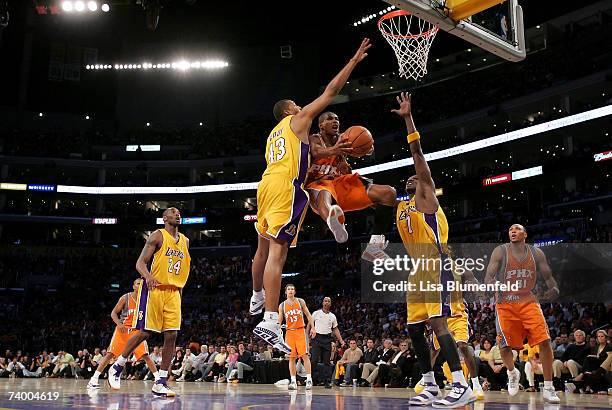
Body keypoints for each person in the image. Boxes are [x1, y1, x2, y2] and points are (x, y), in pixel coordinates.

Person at [249, 39, 372, 351]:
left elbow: (308, 158)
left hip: (265, 187)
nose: (301, 105)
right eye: (297, 104)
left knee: (263, 250)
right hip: (285, 188)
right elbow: (330, 92)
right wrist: (354, 60)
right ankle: (270, 320)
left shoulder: (272, 136)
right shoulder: (298, 120)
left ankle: (257, 297)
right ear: (290, 109)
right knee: (279, 253)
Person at [392, 92, 474, 407]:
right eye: (409, 178)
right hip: (417, 271)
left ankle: (460, 383)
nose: (413, 177)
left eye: (419, 176)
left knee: (439, 323)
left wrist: (408, 118)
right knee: (414, 328)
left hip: (437, 264)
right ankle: (429, 385)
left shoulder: (427, 199)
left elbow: (417, 151)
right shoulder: (401, 206)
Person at [108, 207, 191, 397]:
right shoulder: (158, 235)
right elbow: (140, 263)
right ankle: (118, 366)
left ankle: (160, 382)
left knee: (172, 335)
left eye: (179, 212)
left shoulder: (185, 241)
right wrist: (148, 277)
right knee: (145, 332)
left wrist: (179, 290)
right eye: (172, 212)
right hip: (154, 289)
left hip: (173, 292)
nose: (177, 214)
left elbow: (183, 269)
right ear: (164, 218)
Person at [484, 223, 560, 403]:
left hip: (528, 301)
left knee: (544, 340)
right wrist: (496, 285)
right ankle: (512, 372)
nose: (513, 231)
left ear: (525, 234)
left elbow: (549, 278)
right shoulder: (500, 251)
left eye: (517, 229)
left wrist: (554, 289)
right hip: (505, 303)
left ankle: (549, 387)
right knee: (503, 346)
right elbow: (488, 277)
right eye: (510, 229)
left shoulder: (536, 253)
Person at [305, 111, 396, 255]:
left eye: (337, 119)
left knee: (388, 193)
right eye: (330, 119)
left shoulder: (344, 138)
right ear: (321, 125)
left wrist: (364, 148)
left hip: (341, 184)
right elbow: (315, 152)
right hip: (317, 184)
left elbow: (361, 148)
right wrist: (334, 150)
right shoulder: (314, 138)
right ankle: (334, 221)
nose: (335, 121)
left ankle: (375, 248)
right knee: (325, 192)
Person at [87, 278, 160, 389]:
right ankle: (93, 379)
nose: (139, 285)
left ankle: (158, 379)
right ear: (133, 286)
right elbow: (113, 313)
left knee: (145, 355)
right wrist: (119, 324)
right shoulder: (125, 297)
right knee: (110, 354)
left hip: (137, 332)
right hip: (123, 330)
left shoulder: (146, 300)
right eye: (137, 283)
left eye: (141, 284)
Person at [278, 284, 314, 390]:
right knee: (291, 358)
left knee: (305, 356)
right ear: (285, 292)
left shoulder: (300, 301)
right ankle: (293, 381)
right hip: (289, 332)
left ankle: (309, 379)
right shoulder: (282, 305)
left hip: (300, 331)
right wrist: (277, 329)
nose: (290, 290)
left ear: (295, 291)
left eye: (292, 289)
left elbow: (308, 315)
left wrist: (313, 327)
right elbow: (280, 320)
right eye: (288, 289)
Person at [308, 297, 346, 388]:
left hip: (327, 339)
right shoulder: (316, 313)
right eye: (325, 301)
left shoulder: (332, 316)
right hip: (316, 338)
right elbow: (309, 325)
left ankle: (327, 381)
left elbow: (335, 329)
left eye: (329, 301)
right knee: (314, 360)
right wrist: (307, 338)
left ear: (330, 304)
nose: (327, 302)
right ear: (322, 303)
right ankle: (311, 379)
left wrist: (341, 341)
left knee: (327, 362)